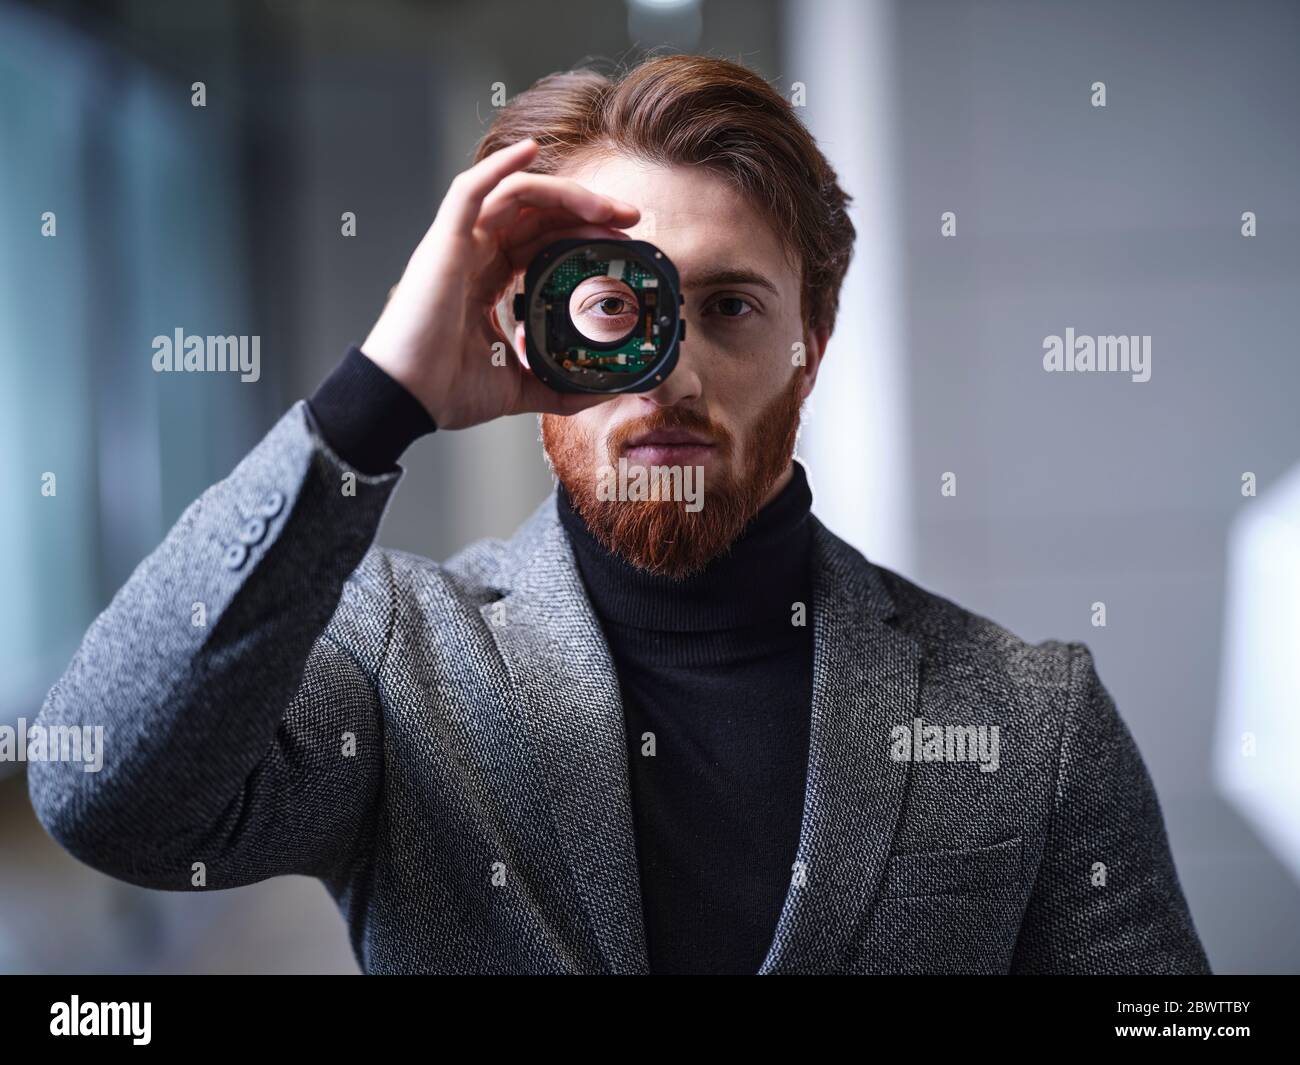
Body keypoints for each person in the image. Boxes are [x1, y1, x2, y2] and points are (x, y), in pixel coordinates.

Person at [27, 55, 1209, 975]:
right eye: (614, 306)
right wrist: (375, 400)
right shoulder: (399, 664)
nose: (669, 374)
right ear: (522, 326)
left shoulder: (1028, 714)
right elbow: (105, 795)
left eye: (731, 307)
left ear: (812, 346)